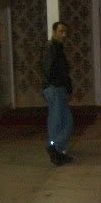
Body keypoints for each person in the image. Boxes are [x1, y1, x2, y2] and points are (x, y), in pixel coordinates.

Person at [41, 21, 73, 165]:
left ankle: (55, 148)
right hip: (54, 88)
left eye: (65, 32)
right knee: (56, 122)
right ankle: (55, 150)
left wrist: (68, 88)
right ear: (54, 32)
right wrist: (52, 86)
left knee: (67, 122)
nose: (64, 34)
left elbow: (63, 71)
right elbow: (47, 69)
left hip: (60, 88)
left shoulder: (58, 47)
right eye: (61, 31)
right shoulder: (50, 46)